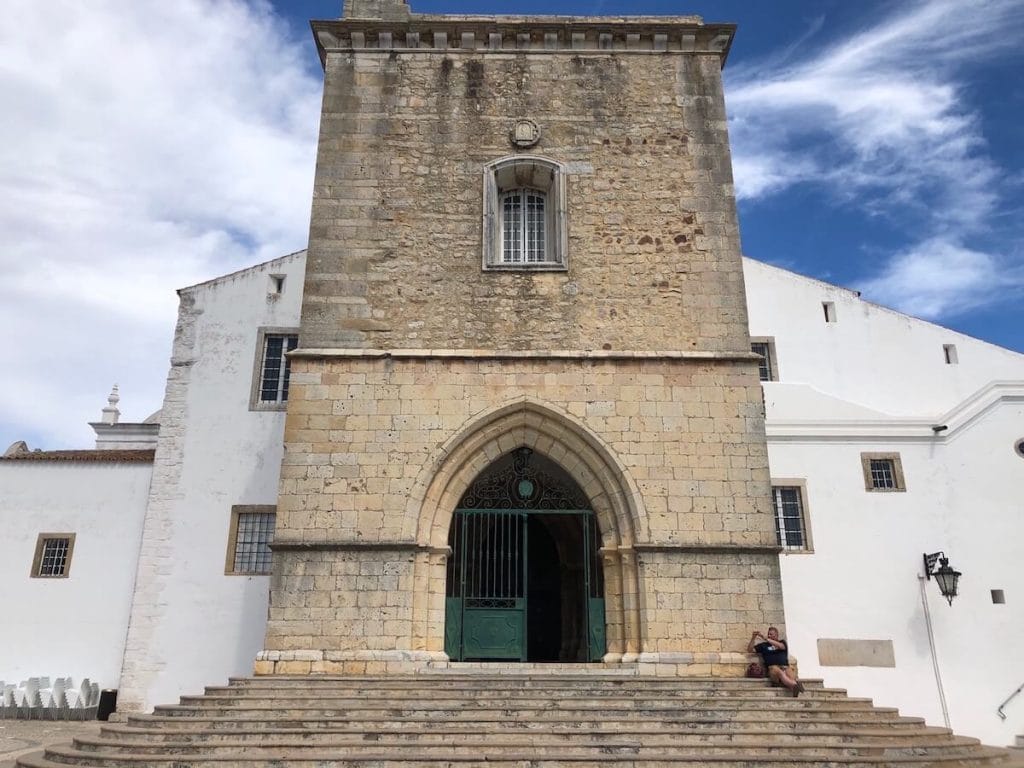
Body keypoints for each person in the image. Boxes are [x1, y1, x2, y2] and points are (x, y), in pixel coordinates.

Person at [748, 626, 805, 697]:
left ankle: (793, 687)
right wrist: (753, 638)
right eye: (768, 634)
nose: (769, 635)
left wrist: (766, 639)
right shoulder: (763, 645)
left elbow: (781, 646)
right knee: (780, 672)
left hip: (785, 666)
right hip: (773, 668)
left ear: (776, 635)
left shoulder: (782, 642)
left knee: (790, 674)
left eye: (771, 634)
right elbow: (750, 650)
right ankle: (795, 685)